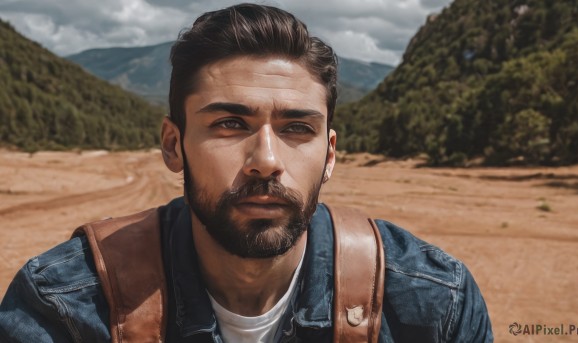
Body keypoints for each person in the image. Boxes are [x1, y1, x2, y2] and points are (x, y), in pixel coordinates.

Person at [0, 3, 493, 342]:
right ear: (174, 145)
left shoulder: (431, 302)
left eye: (298, 127)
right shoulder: (64, 306)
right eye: (230, 123)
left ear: (330, 154)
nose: (267, 160)